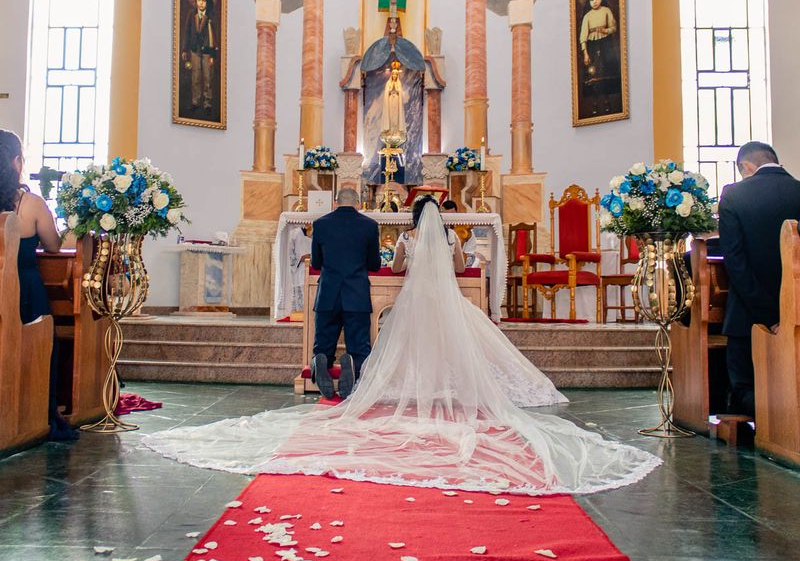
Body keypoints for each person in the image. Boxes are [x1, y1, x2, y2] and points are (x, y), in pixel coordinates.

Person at [144, 198, 660, 495]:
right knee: (424, 340)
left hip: (378, 296)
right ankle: (375, 370)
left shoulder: (394, 238)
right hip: (444, 301)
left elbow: (385, 270)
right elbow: (459, 272)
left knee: (393, 337)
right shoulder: (447, 240)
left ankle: (338, 367)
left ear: (413, 221)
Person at [0, 130, 77, 440]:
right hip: (25, 292)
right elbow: (55, 246)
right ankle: (36, 411)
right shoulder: (29, 204)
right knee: (42, 346)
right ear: (16, 162)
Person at [718, 141, 800, 416]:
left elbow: (735, 263)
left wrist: (770, 316)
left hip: (747, 318)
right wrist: (788, 314)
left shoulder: (734, 196)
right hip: (798, 314)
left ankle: (770, 423)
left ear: (745, 166)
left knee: (745, 389)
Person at [310, 188, 381, 399]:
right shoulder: (369, 225)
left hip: (328, 294)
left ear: (335, 202)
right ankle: (353, 365)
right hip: (356, 295)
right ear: (358, 203)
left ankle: (321, 360)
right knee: (359, 345)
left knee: (323, 343)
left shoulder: (320, 224)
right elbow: (374, 265)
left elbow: (316, 262)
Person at [579, 0, 620, 117]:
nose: (595, 1)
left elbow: (614, 27)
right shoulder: (587, 16)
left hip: (605, 44)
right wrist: (585, 53)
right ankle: (595, 103)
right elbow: (583, 37)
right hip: (592, 46)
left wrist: (605, 30)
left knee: (606, 72)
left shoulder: (607, 11)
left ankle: (607, 101)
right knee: (593, 75)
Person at [181, 0, 218, 112]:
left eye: (203, 0)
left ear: (207, 2)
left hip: (207, 51)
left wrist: (213, 55)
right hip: (195, 50)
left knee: (208, 77)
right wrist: (185, 49)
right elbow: (187, 32)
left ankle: (207, 102)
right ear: (195, 1)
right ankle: (195, 101)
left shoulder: (211, 16)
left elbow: (214, 36)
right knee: (195, 76)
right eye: (199, 0)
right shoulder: (192, 14)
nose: (201, 3)